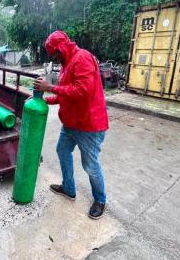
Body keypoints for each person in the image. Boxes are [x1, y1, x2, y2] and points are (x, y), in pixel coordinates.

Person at [34, 30, 109, 219]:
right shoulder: (67, 63)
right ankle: (68, 188)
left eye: (54, 54)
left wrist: (49, 87)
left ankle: (100, 200)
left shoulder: (82, 58)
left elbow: (82, 91)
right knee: (62, 150)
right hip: (71, 123)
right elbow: (66, 95)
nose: (54, 58)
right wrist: (46, 100)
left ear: (61, 47)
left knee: (90, 165)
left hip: (89, 125)